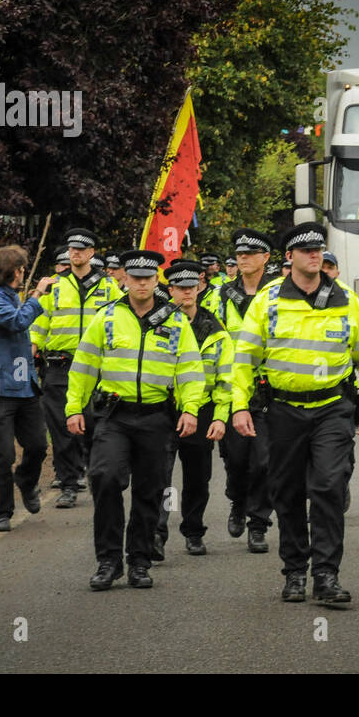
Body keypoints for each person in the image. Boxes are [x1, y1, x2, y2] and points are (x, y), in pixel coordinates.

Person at [230, 222, 359, 607]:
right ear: (289, 258)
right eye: (306, 250)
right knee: (289, 491)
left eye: (318, 249)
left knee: (329, 486)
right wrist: (239, 405)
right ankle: (295, 570)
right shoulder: (268, 302)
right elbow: (244, 359)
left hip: (333, 408)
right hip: (282, 411)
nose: (315, 255)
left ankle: (327, 574)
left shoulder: (347, 300)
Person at [66, 250, 204, 591]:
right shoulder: (107, 318)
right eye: (135, 277)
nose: (141, 283)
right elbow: (83, 365)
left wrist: (190, 409)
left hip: (157, 417)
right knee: (105, 478)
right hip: (115, 415)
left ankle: (139, 561)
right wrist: (73, 407)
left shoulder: (175, 322)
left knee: (149, 491)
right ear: (124, 279)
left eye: (148, 277)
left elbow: (189, 369)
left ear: (157, 281)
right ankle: (108, 561)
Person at [30, 228, 123, 508]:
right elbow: (39, 323)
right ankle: (69, 484)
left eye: (81, 250)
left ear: (91, 253)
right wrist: (30, 351)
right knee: (61, 427)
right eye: (72, 249)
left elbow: (120, 323)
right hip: (59, 365)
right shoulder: (55, 285)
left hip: (97, 368)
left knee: (94, 424)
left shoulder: (108, 287)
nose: (76, 253)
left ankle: (97, 479)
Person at [0, 246, 58, 531]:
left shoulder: (11, 296)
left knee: (37, 445)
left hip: (24, 387)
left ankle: (26, 480)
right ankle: (2, 512)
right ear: (15, 270)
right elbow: (16, 321)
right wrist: (37, 296)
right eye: (22, 268)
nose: (25, 273)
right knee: (4, 454)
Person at [154, 261, 231, 558]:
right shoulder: (157, 323)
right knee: (162, 476)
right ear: (170, 290)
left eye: (191, 287)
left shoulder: (215, 328)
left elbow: (226, 377)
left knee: (198, 477)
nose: (187, 292)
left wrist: (221, 416)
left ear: (200, 288)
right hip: (165, 410)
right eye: (180, 287)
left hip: (203, 410)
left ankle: (193, 530)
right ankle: (158, 531)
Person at [216, 229, 278, 552]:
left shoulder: (279, 293)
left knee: (264, 462)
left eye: (250, 253)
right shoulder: (222, 295)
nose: (242, 258)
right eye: (239, 254)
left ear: (265, 258)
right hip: (231, 388)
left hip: (267, 390)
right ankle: (238, 501)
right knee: (236, 459)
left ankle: (258, 523)